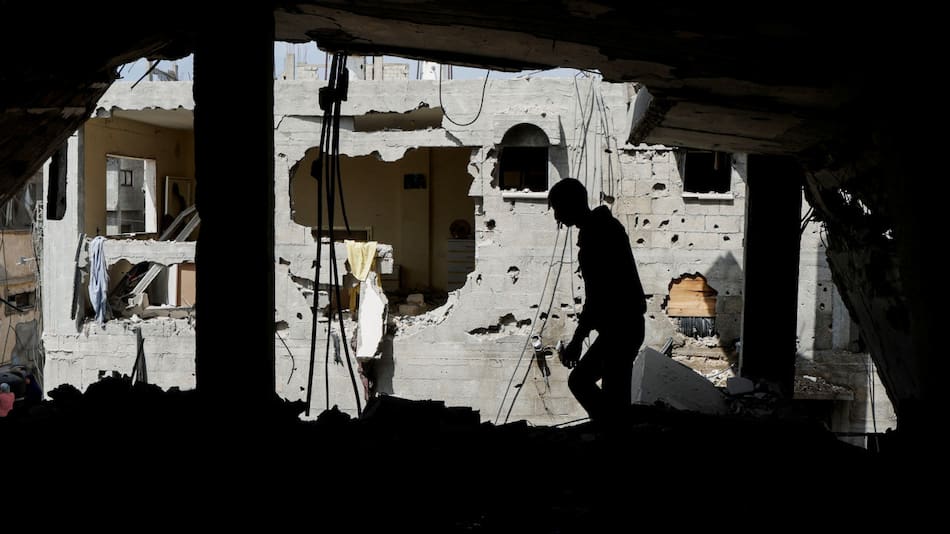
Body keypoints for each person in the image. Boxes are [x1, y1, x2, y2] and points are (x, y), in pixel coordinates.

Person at [548, 178, 646, 427]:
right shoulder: (606, 228)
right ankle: (615, 426)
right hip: (626, 326)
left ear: (570, 204)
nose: (557, 216)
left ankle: (613, 429)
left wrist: (577, 341)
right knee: (616, 395)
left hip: (620, 329)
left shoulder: (595, 238)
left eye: (558, 209)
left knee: (581, 382)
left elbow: (598, 296)